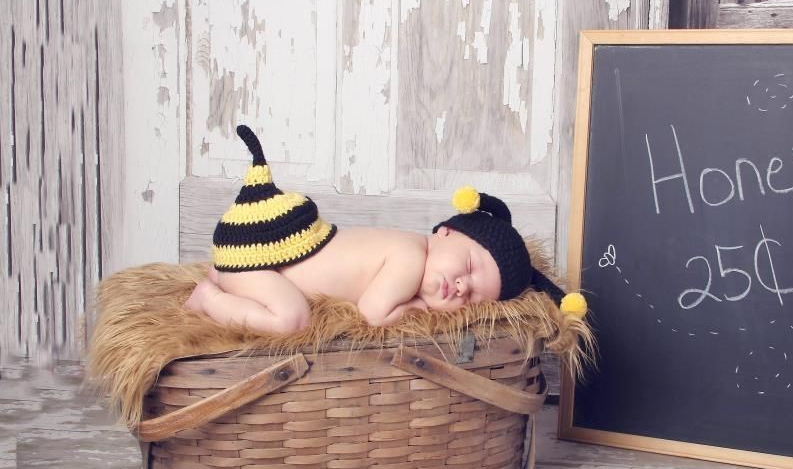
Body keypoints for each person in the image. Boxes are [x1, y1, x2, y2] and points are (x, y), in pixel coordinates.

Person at [185, 125, 587, 334]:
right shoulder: (410, 256)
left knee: (292, 311)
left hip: (263, 266)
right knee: (292, 320)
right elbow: (374, 314)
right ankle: (210, 300)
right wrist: (424, 308)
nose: (461, 287)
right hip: (258, 264)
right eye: (468, 265)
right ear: (445, 232)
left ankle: (220, 287)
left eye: (474, 298)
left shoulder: (413, 251)